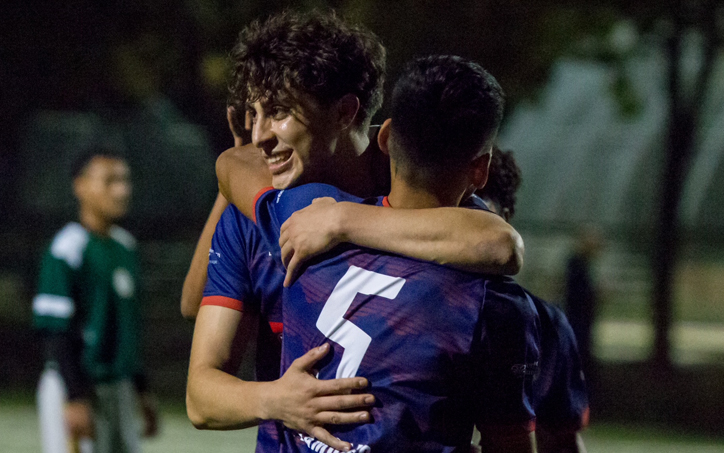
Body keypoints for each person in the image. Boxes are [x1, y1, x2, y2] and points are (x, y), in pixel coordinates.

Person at [186, 10, 524, 451]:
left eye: (280, 111)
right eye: (254, 113)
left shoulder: (426, 204)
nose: (259, 134)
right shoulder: (255, 212)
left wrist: (342, 221)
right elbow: (201, 389)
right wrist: (274, 399)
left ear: (346, 112)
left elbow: (500, 244)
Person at [33, 148, 158, 453]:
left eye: (125, 180)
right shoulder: (67, 248)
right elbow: (55, 330)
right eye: (110, 181)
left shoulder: (125, 246)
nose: (122, 190)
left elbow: (126, 332)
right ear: (81, 186)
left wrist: (141, 390)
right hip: (78, 384)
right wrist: (74, 397)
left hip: (120, 387)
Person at [478, 148, 589, 453]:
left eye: (478, 210)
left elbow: (562, 439)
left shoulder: (543, 323)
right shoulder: (388, 293)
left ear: (506, 218)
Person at [564, 225, 603, 382]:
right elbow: (579, 292)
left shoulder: (581, 264)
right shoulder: (577, 264)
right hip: (578, 317)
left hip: (581, 317)